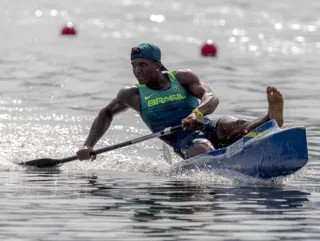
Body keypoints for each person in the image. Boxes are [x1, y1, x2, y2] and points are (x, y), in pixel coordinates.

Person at [76, 43, 284, 161]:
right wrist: (88, 145)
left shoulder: (182, 78)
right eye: (133, 65)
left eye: (143, 64)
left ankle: (269, 118)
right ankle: (225, 155)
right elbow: (106, 113)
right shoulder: (132, 94)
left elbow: (211, 97)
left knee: (232, 124)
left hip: (207, 126)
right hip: (182, 141)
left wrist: (197, 114)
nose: (136, 70)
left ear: (158, 65)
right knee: (203, 147)